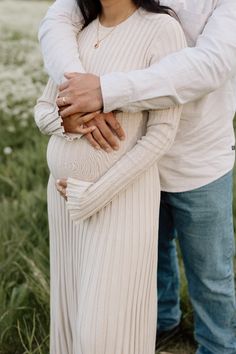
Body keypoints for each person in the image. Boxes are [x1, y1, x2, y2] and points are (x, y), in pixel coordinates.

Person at [38, 1, 236, 353]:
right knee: (149, 256)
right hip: (130, 167)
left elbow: (211, 65)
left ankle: (218, 344)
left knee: (210, 272)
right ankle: (161, 321)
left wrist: (103, 91)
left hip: (199, 156)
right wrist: (75, 91)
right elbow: (57, 20)